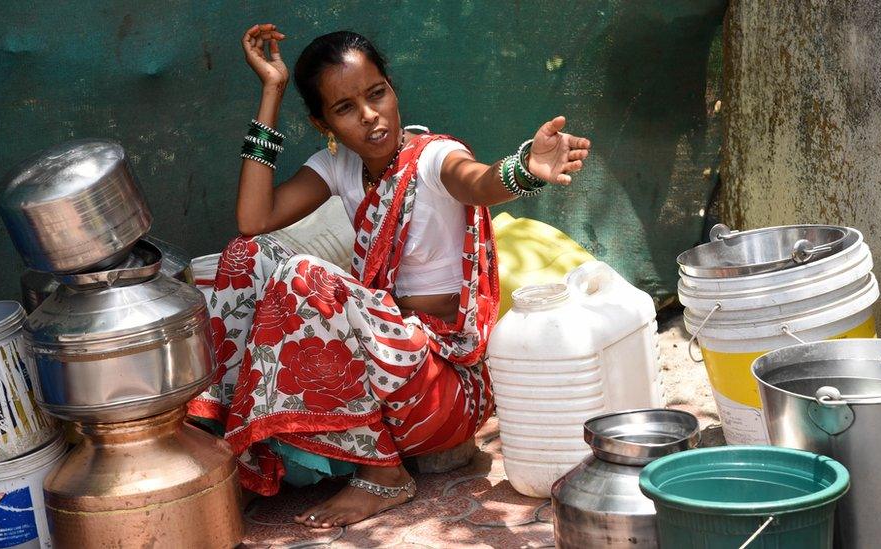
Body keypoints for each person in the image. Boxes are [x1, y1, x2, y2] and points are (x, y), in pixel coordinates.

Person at [188, 23, 591, 528]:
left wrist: (525, 170)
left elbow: (479, 182)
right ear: (324, 125)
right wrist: (271, 90)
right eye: (345, 109)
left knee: (305, 277)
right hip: (378, 374)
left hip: (442, 387)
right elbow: (253, 220)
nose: (370, 115)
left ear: (393, 90)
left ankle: (383, 473)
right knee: (244, 258)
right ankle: (233, 448)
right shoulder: (338, 168)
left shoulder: (433, 158)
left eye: (377, 94)